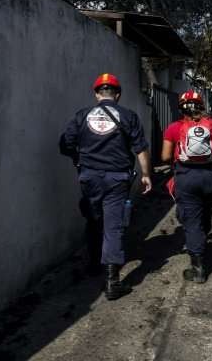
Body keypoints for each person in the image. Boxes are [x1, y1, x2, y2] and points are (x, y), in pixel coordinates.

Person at [59, 73, 152, 301]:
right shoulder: (128, 116)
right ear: (117, 95)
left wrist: (79, 159)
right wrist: (147, 175)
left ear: (96, 93)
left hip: (89, 178)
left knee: (93, 218)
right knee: (113, 226)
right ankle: (112, 281)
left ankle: (93, 264)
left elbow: (65, 144)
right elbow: (140, 149)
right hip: (116, 179)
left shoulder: (82, 116)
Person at [161, 90, 212, 283]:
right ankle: (204, 230)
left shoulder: (174, 127)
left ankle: (198, 268)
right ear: (200, 106)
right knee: (206, 207)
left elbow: (166, 157)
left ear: (181, 108)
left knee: (192, 221)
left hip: (187, 177)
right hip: (211, 176)